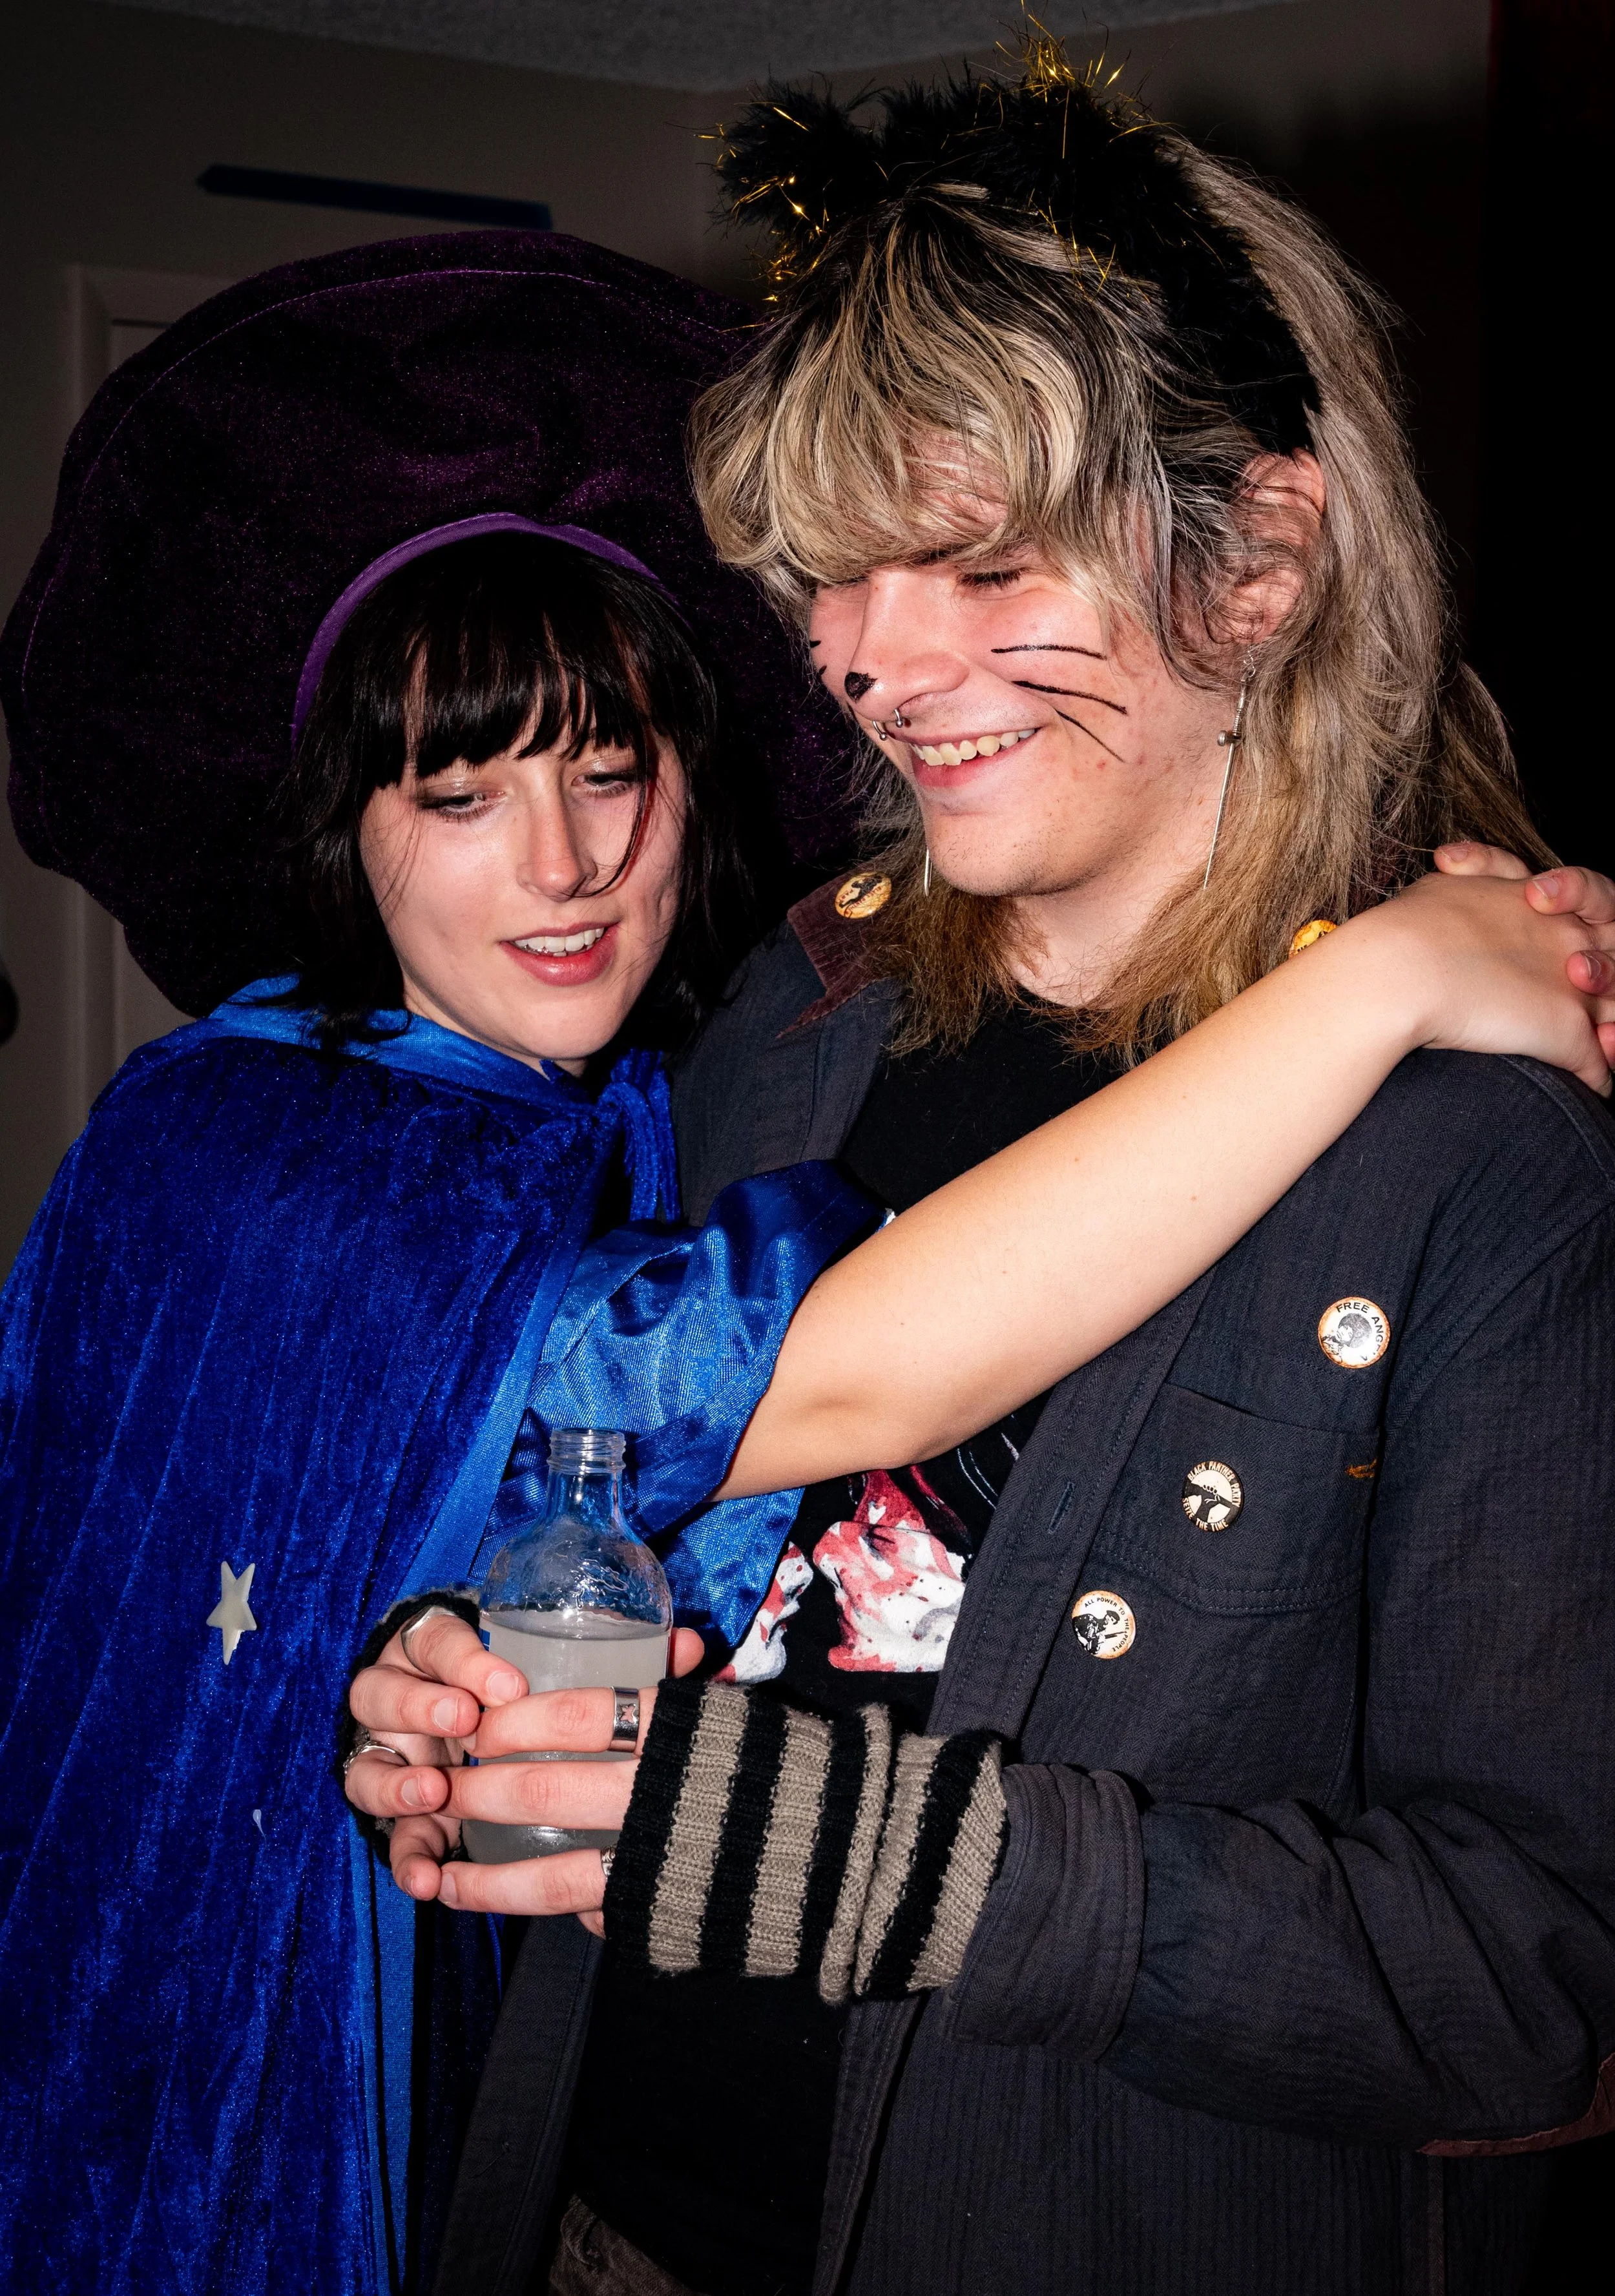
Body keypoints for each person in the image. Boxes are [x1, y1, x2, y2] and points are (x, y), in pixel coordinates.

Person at [357, 45, 1615, 2296]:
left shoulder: (1498, 1167)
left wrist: (821, 1849)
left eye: (976, 561)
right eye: (834, 573)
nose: (865, 659)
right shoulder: (798, 1002)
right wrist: (470, 1674)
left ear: (1256, 563)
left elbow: (1536, 1984)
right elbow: (667, 1495)